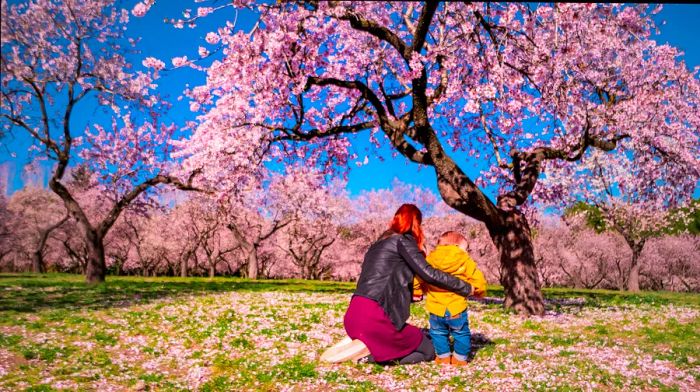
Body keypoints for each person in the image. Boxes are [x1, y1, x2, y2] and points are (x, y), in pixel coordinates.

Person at [341, 204, 474, 365]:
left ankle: (374, 347)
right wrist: (465, 287)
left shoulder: (376, 245)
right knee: (429, 351)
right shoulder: (402, 241)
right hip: (375, 317)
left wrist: (409, 294)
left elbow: (384, 279)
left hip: (353, 316)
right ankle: (374, 358)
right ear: (416, 224)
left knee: (403, 340)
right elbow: (429, 273)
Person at [413, 231, 487, 366]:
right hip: (456, 307)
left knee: (437, 333)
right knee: (461, 333)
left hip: (435, 307)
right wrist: (479, 291)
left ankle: (443, 357)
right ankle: (459, 358)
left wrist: (417, 291)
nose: (466, 251)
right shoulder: (465, 259)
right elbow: (478, 278)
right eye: (465, 248)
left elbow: (418, 277)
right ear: (458, 246)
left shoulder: (430, 258)